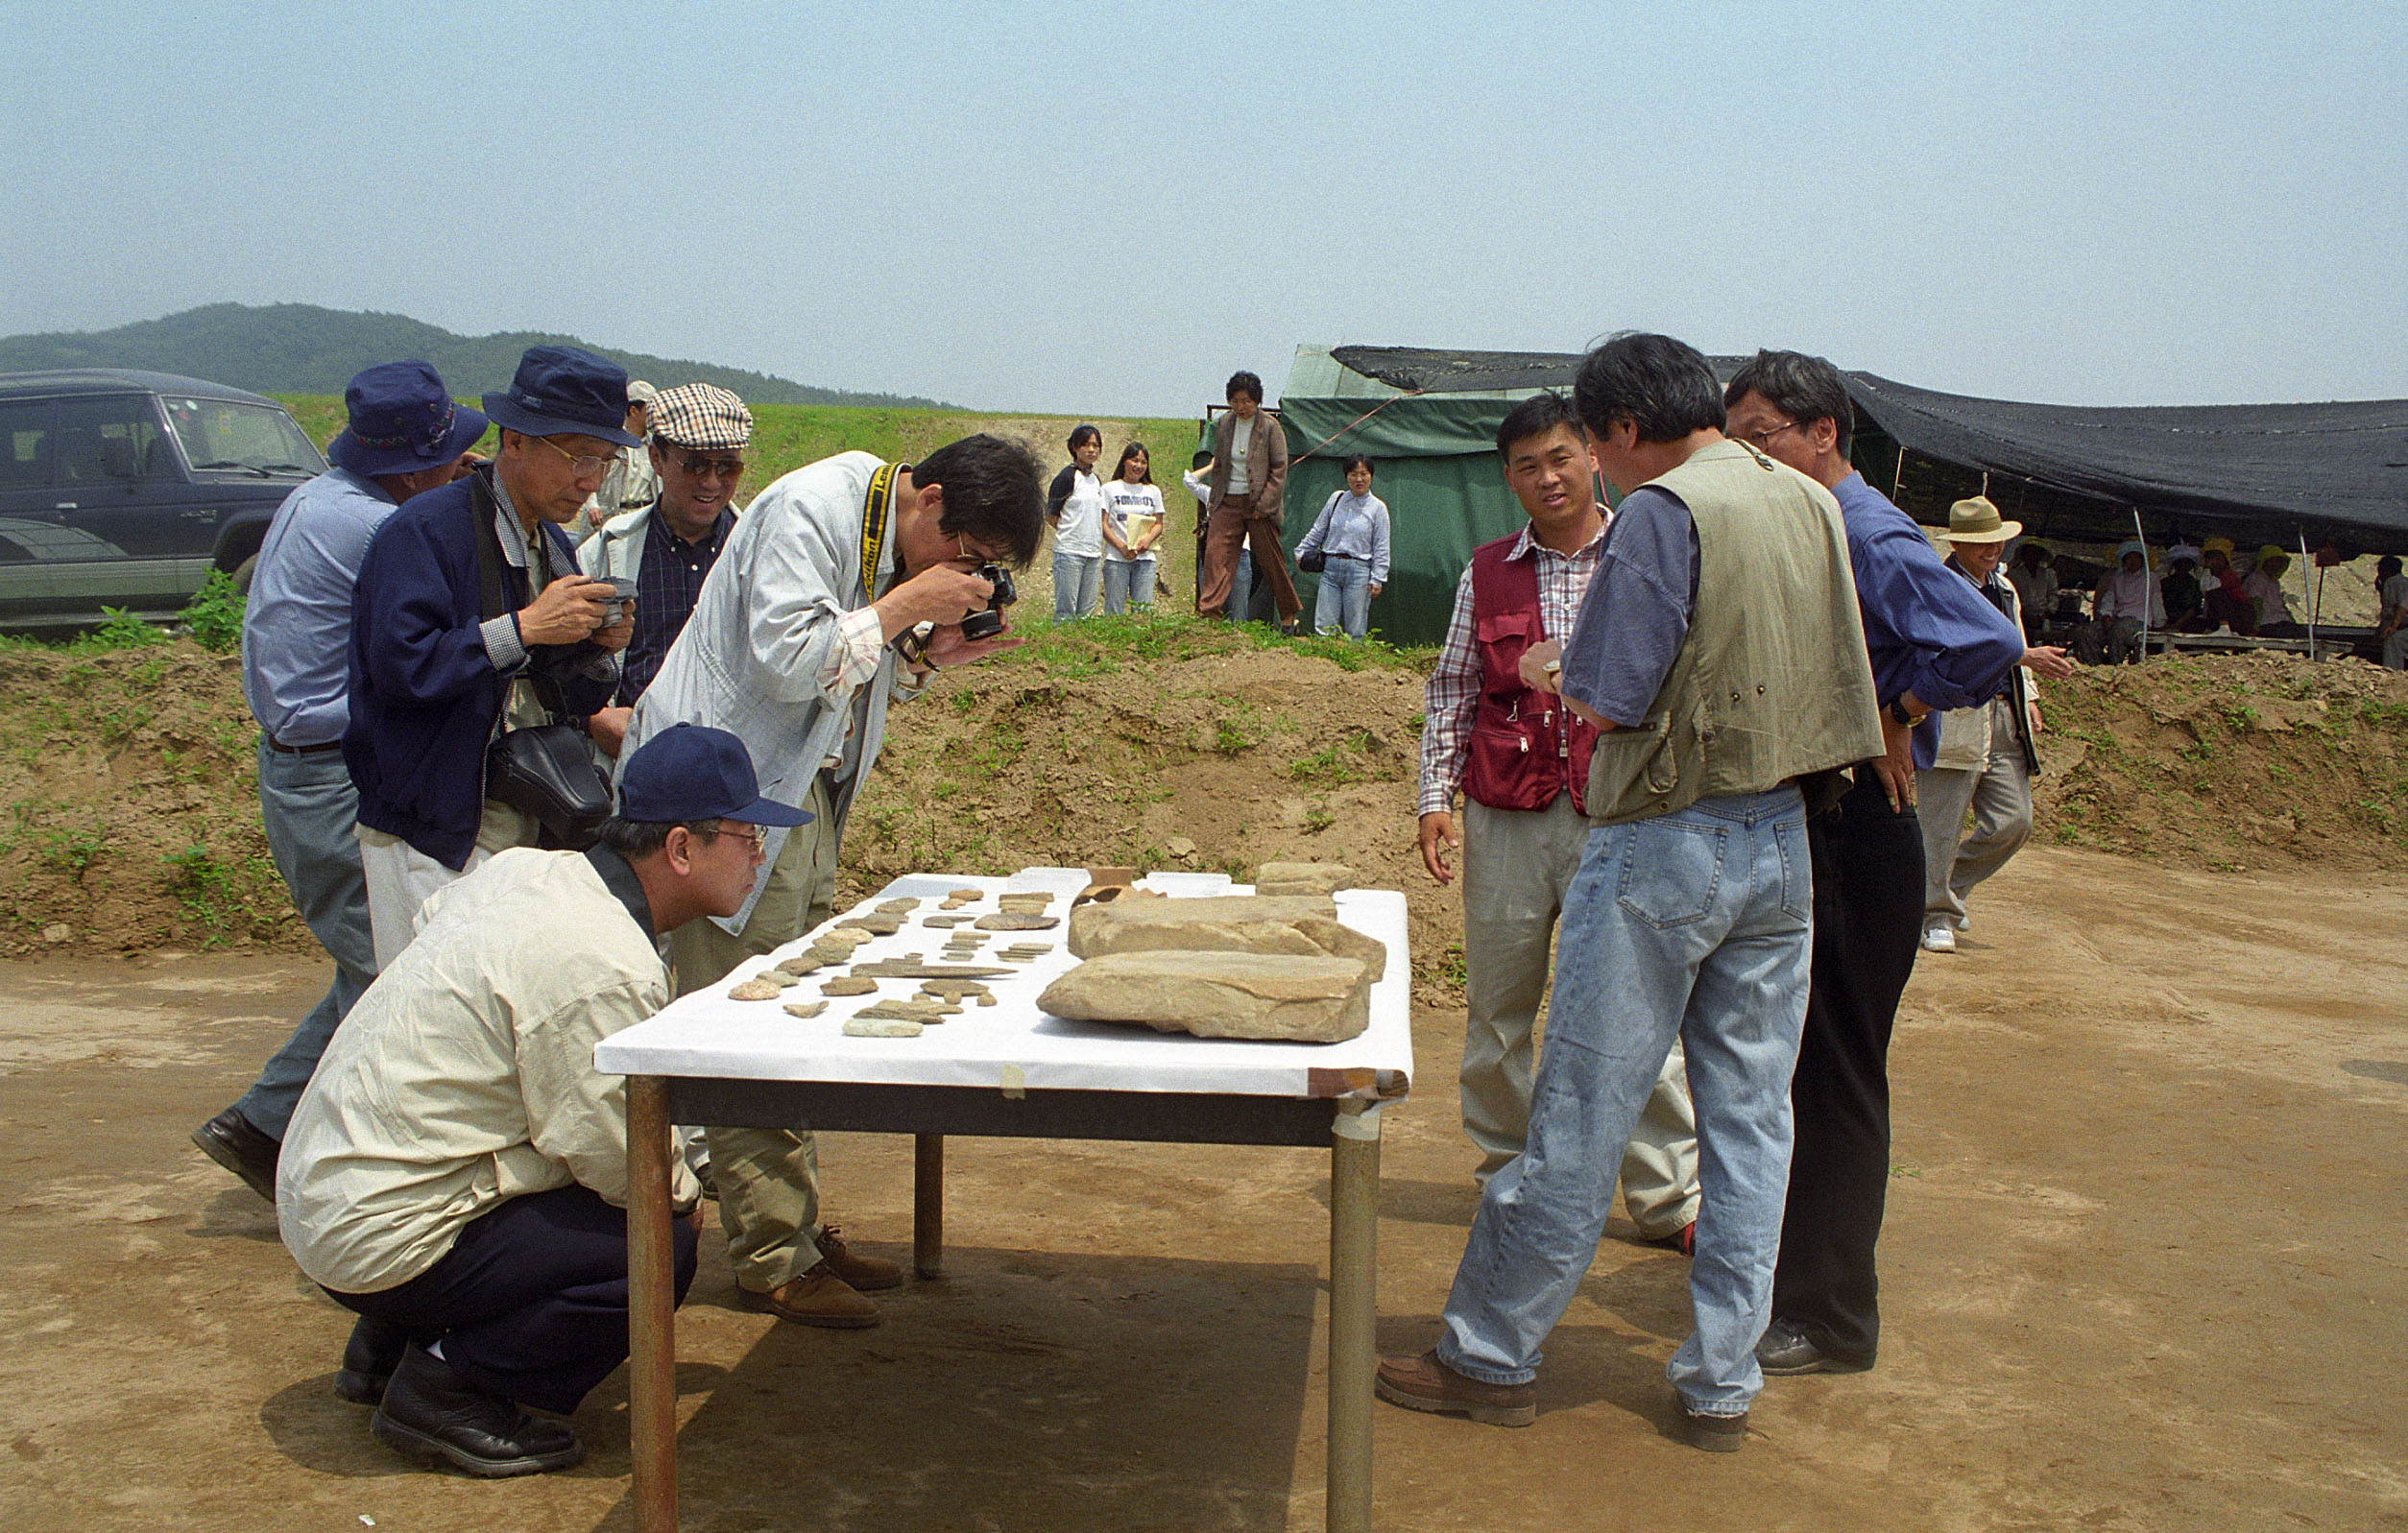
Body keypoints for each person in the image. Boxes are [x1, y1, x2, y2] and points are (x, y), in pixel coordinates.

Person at [1377, 333, 1883, 1451]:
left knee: (1578, 1109)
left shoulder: (1665, 512)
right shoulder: (1805, 497)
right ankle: (1720, 1385)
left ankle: (1490, 1353)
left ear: (1614, 433)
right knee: (1750, 1125)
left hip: (1665, 833)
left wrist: (1577, 681)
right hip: (1783, 839)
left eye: (1588, 448)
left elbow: (1608, 687)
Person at [278, 726, 803, 1477]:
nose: (760, 857)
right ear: (682, 848)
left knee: (545, 1153)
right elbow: (624, 1165)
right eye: (748, 837)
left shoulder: (526, 872)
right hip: (373, 1227)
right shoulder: (599, 959)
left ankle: (387, 1342)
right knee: (656, 1244)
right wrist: (685, 1188)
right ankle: (445, 1387)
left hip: (325, 1188)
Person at [624, 434, 1044, 1327]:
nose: (968, 576)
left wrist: (927, 652)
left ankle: (799, 1231)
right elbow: (788, 657)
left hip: (793, 796)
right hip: (720, 805)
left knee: (789, 1008)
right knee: (745, 1023)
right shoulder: (811, 510)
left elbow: (851, 673)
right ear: (927, 500)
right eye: (969, 558)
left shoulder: (886, 538)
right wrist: (905, 606)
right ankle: (772, 1256)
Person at [1722, 349, 2024, 1381]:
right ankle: (1795, 1283)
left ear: (1823, 435)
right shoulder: (1809, 525)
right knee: (1799, 1067)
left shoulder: (1865, 530)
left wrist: (1890, 711)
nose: (1751, 457)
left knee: (1838, 1077)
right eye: (1739, 439)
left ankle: (1833, 1315)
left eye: (1765, 437)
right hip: (1827, 819)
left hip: (1861, 826)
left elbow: (1984, 643)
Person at [189, 362, 490, 1201]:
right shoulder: (376, 531)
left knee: (378, 958)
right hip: (330, 773)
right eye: (452, 457)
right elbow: (449, 635)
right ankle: (294, 1134)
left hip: (308, 761)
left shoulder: (321, 500)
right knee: (400, 969)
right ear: (409, 468)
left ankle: (265, 1123)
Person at [1414, 390, 1699, 1249]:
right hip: (1509, 816)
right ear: (1508, 478)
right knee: (1499, 1008)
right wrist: (1435, 796)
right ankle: (1509, 1174)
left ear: (1594, 458)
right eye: (1528, 466)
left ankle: (1669, 1198)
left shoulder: (1647, 552)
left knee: (1640, 1002)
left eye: (1561, 458)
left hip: (1624, 810)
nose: (1548, 478)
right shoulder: (1488, 569)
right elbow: (1455, 687)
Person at [344, 346, 638, 969]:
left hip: (521, 818)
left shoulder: (552, 542)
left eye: (604, 462)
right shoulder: (424, 532)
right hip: (433, 828)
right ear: (514, 441)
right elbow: (401, 667)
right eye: (578, 456)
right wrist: (526, 627)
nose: (590, 479)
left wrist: (592, 646)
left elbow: (562, 693)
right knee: (426, 1018)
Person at [1914, 497, 2075, 954]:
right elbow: (1960, 645)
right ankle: (1934, 914)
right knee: (1940, 822)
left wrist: (2031, 697)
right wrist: (2025, 657)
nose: (1992, 550)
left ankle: (1948, 888)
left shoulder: (2004, 588)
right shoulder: (1940, 585)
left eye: (1997, 541)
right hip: (1954, 713)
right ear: (1960, 543)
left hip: (2004, 713)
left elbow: (2015, 639)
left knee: (2014, 821)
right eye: (1981, 543)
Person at [579, 382, 754, 755]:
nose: (711, 482)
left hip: (729, 763)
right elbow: (559, 666)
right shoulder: (608, 550)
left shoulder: (760, 552)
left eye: (727, 467)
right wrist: (593, 717)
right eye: (694, 465)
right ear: (656, 459)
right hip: (632, 759)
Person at [1197, 371, 1301, 632]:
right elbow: (1219, 464)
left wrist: (1264, 505)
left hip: (1259, 505)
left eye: (1246, 401)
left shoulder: (1270, 427)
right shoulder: (1223, 425)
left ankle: (1288, 615)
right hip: (1228, 500)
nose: (1240, 407)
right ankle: (1210, 611)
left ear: (1257, 401)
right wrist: (1215, 498)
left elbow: (1279, 469)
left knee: (1271, 560)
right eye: (1235, 400)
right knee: (1215, 552)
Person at [1295, 455, 1392, 638]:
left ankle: (1353, 663)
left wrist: (1378, 578)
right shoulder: (1336, 499)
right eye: (1353, 474)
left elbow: (1382, 546)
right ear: (1346, 476)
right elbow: (1319, 529)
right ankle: (1324, 663)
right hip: (1330, 568)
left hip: (1359, 572)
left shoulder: (1378, 508)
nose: (1359, 479)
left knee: (1355, 629)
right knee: (1324, 626)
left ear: (1371, 476)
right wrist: (1302, 551)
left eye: (1364, 474)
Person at [1046, 424, 1107, 620]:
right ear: (1074, 447)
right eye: (1086, 445)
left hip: (1093, 553)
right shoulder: (1066, 477)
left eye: (1095, 446)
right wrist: (1072, 532)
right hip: (1069, 552)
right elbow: (1052, 516)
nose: (1091, 450)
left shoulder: (1096, 480)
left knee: (1086, 613)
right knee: (1066, 611)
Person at [582, 379, 659, 531]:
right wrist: (592, 507)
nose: (654, 415)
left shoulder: (655, 448)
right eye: (649, 410)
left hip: (641, 521)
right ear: (633, 411)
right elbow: (588, 475)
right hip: (609, 520)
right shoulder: (609, 443)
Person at [1099, 442, 1165, 614]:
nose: (1139, 466)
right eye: (1135, 461)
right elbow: (1103, 523)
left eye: (1143, 462)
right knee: (1114, 610)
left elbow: (1158, 523)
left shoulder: (1153, 491)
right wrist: (1121, 547)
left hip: (1145, 559)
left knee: (1143, 611)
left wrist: (1147, 540)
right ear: (1124, 462)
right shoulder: (1109, 489)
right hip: (1116, 558)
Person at [2083, 542, 2165, 663]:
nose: (2132, 561)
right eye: (2129, 558)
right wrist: (2106, 616)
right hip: (2117, 618)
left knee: (2118, 632)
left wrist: (2159, 624)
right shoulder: (2118, 578)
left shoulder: (2150, 578)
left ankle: (2115, 667)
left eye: (2136, 557)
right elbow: (2109, 599)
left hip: (2138, 621)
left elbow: (2156, 601)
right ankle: (2095, 666)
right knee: (2088, 632)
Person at [2201, 537, 2255, 634]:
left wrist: (2207, 569)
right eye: (2210, 558)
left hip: (2241, 616)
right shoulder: (2214, 576)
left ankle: (2224, 628)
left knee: (2216, 593)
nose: (2213, 562)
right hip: (2230, 616)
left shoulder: (2228, 575)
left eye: (2217, 558)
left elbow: (2206, 587)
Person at [2007, 540, 2059, 641]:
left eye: (2036, 553)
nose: (2032, 557)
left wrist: (2046, 613)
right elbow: (2012, 597)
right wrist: (2025, 614)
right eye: (2029, 553)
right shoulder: (2014, 574)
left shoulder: (2048, 574)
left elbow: (2053, 595)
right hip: (2021, 618)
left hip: (2044, 618)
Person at [2246, 546, 2301, 636]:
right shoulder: (2256, 579)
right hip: (2266, 623)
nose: (2275, 565)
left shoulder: (2274, 582)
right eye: (2272, 561)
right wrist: (2254, 629)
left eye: (2279, 562)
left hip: (2281, 621)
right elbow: (2255, 603)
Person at [2161, 546, 2207, 632]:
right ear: (2175, 564)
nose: (2183, 566)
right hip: (2165, 621)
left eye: (2187, 563)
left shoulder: (2195, 584)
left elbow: (2195, 607)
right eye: (2180, 563)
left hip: (2188, 622)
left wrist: (2178, 623)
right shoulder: (2165, 583)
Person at [2375, 556, 2408, 669]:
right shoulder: (2401, 581)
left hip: (2402, 625)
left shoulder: (2393, 582)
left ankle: (2392, 671)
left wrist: (2394, 626)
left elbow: (2402, 605)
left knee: (2394, 640)